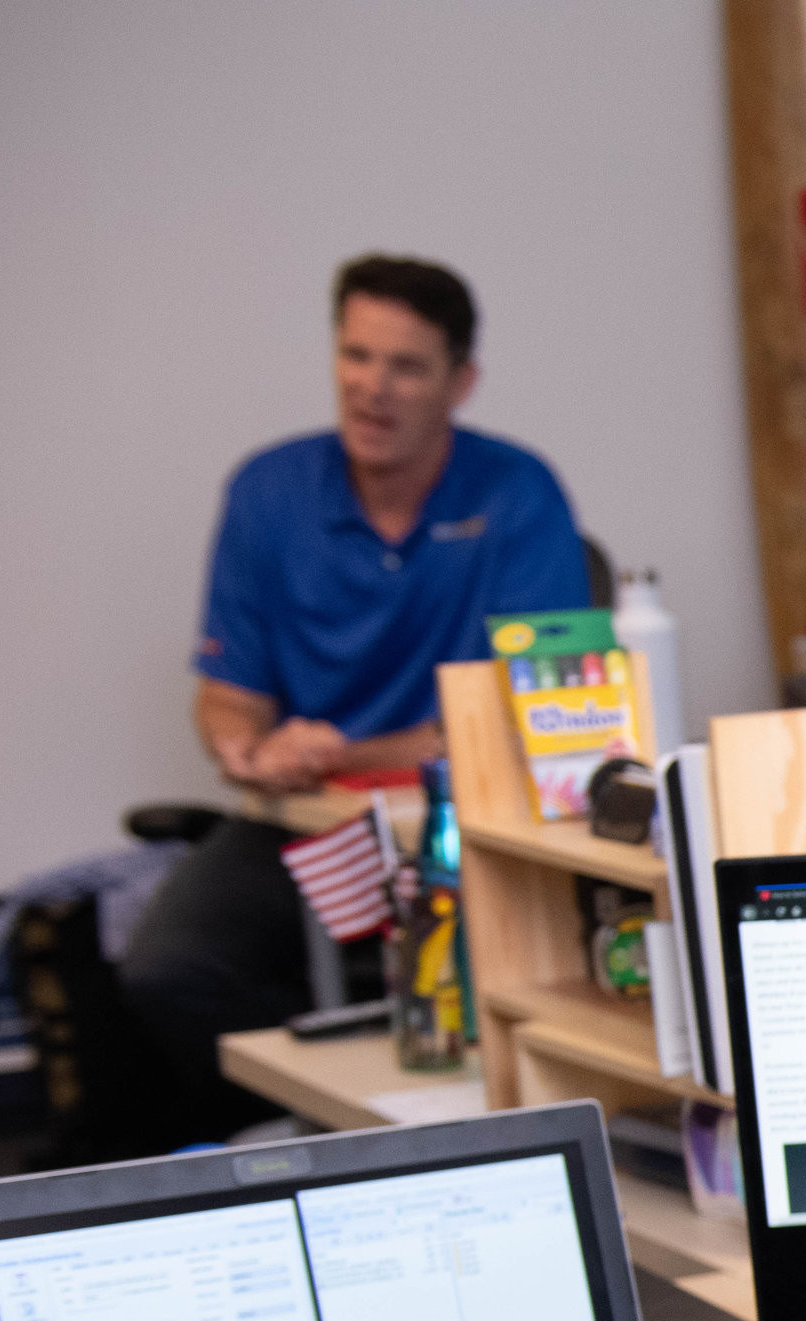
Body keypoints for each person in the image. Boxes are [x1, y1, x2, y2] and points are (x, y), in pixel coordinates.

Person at [129, 255, 588, 1139]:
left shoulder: (518, 491)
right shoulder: (267, 490)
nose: (373, 389)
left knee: (518, 991)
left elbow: (533, 710)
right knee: (169, 973)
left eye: (406, 366)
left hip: (461, 825)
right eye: (356, 357)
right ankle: (313, 1142)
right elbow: (225, 698)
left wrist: (338, 750)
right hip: (302, 821)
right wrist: (247, 752)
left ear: (461, 383)